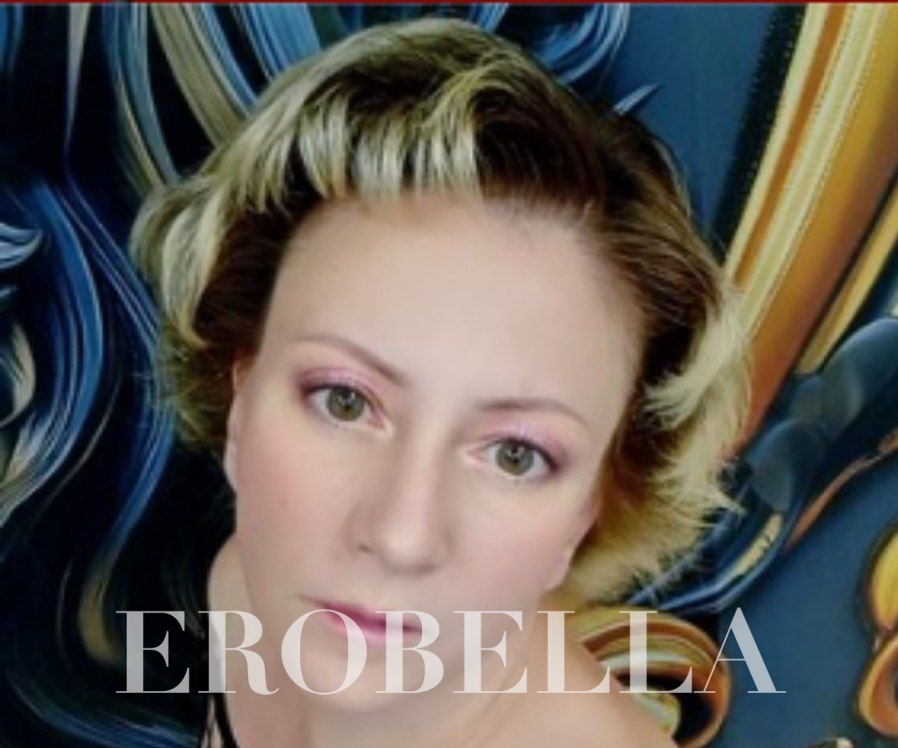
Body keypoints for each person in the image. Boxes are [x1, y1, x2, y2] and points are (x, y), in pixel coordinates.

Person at [130, 16, 749, 748]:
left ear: (586, 515)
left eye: (516, 455)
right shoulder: (241, 589)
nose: (400, 536)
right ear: (241, 405)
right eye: (344, 401)